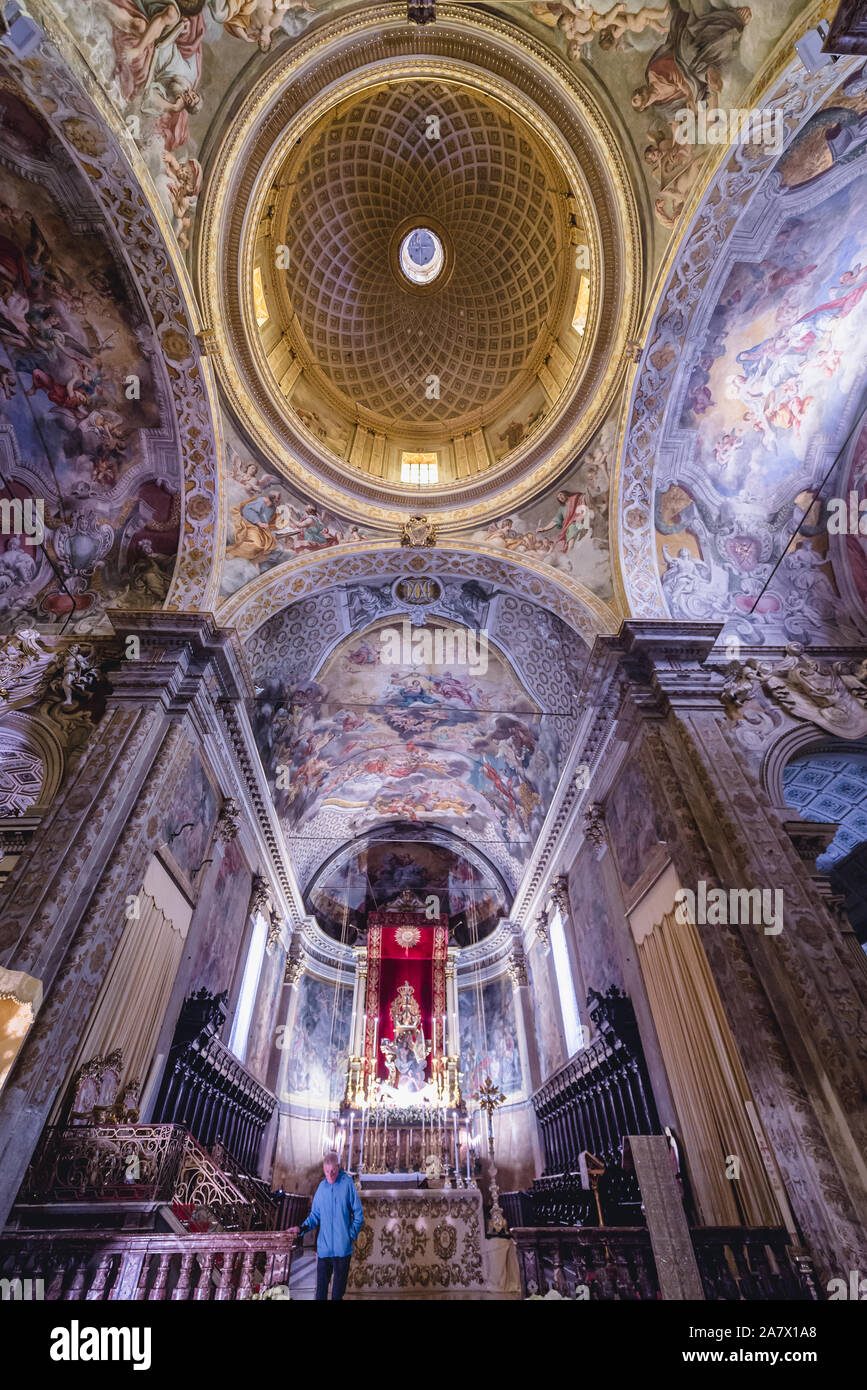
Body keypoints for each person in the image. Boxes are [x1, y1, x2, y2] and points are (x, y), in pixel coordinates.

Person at [288, 1150, 363, 1301]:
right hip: (324, 1250)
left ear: (339, 1167)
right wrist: (301, 1229)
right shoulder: (321, 1188)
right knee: (320, 1294)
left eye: (333, 1170)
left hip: (343, 1250)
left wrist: (350, 1236)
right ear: (323, 1169)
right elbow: (315, 1216)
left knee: (337, 1295)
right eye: (327, 1171)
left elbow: (359, 1215)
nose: (330, 1174)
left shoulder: (348, 1184)